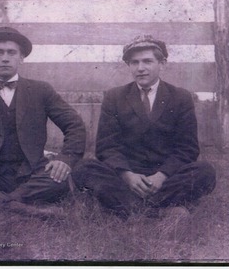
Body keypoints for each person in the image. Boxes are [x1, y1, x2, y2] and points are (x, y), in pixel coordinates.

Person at [0, 27, 86, 216]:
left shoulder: (41, 90)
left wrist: (64, 159)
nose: (5, 58)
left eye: (12, 52)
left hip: (33, 171)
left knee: (58, 179)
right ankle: (27, 209)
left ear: (21, 58)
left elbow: (74, 125)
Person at [72, 35, 216, 220]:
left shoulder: (180, 97)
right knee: (83, 168)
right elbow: (107, 147)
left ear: (162, 63)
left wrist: (161, 176)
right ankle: (161, 211)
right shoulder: (114, 97)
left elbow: (187, 149)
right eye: (134, 63)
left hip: (166, 176)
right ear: (129, 66)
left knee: (205, 172)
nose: (140, 68)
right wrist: (127, 176)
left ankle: (131, 209)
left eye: (147, 61)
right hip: (127, 176)